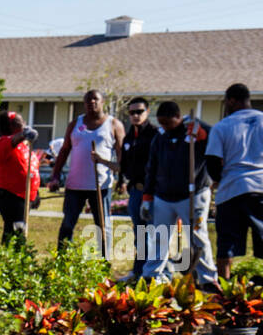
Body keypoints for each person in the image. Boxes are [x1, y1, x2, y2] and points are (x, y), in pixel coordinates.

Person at [206, 83, 263, 280]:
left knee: (227, 243)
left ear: (232, 100)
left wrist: (219, 179)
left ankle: (225, 289)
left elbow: (211, 162)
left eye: (226, 102)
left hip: (232, 189)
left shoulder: (222, 127)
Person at [141, 101, 214, 288]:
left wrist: (201, 132)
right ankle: (152, 276)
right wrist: (147, 197)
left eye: (167, 122)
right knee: (159, 237)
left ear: (178, 118)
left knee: (197, 237)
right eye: (161, 123)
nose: (164, 126)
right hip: (163, 196)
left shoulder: (195, 132)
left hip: (192, 194)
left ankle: (207, 278)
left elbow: (213, 140)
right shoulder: (160, 138)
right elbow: (151, 167)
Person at [49, 89, 124, 251]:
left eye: (95, 99)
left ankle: (104, 265)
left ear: (103, 101)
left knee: (103, 226)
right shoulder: (75, 124)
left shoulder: (113, 124)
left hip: (100, 185)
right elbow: (64, 151)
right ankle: (62, 261)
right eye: (88, 100)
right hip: (75, 186)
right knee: (68, 224)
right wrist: (55, 176)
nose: (92, 103)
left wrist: (122, 179)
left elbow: (121, 155)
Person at [118, 96, 157, 280]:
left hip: (152, 192)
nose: (135, 115)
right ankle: (138, 271)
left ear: (147, 112)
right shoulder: (128, 136)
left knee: (153, 233)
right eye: (132, 112)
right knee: (139, 232)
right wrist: (120, 180)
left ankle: (154, 273)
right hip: (135, 191)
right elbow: (124, 165)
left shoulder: (155, 135)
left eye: (139, 111)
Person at [0, 111, 40, 242]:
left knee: (18, 227)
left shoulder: (23, 146)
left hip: (24, 195)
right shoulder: (3, 143)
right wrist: (24, 134)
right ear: (11, 126)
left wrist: (35, 194)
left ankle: (15, 255)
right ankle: (10, 256)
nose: (24, 123)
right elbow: (13, 140)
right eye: (21, 122)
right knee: (15, 228)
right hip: (9, 195)